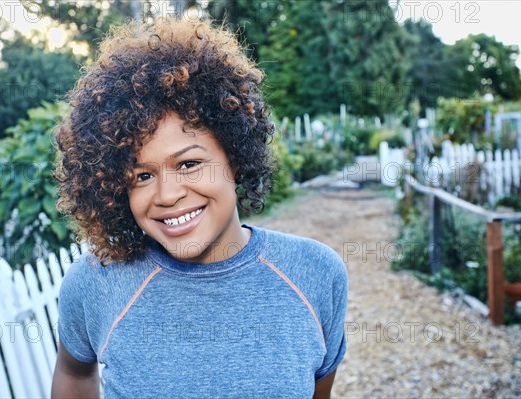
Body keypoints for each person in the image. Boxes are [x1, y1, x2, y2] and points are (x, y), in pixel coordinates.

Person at [51, 16, 347, 399]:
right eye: (141, 176)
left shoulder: (316, 274)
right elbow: (74, 374)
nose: (167, 195)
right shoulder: (97, 283)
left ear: (236, 157)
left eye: (189, 164)